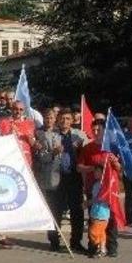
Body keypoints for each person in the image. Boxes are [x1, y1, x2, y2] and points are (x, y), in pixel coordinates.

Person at [77, 119, 120, 257]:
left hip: (109, 189)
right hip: (93, 188)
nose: (95, 132)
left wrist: (116, 163)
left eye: (98, 130)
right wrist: (92, 169)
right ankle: (94, 247)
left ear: (104, 131)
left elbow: (120, 169)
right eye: (93, 130)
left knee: (111, 219)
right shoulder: (88, 148)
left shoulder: (111, 147)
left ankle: (111, 247)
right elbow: (79, 167)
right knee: (94, 218)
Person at [33, 108, 64, 251]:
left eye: (51, 118)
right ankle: (54, 239)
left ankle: (62, 236)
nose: (49, 120)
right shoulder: (38, 133)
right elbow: (40, 156)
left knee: (60, 209)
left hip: (63, 174)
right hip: (48, 176)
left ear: (55, 118)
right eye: (47, 118)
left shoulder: (60, 132)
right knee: (53, 209)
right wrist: (53, 153)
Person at [57, 108, 88, 252]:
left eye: (68, 119)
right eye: (62, 118)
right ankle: (54, 241)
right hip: (57, 177)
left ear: (72, 121)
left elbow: (89, 152)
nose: (65, 121)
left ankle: (76, 242)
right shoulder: (52, 134)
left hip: (74, 177)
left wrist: (81, 147)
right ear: (58, 120)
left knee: (77, 211)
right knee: (56, 210)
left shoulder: (79, 135)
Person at [87, 163, 111, 258]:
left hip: (101, 213)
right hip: (95, 212)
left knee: (93, 232)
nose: (95, 173)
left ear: (103, 173)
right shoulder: (96, 184)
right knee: (101, 232)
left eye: (98, 171)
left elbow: (99, 198)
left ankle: (97, 246)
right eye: (95, 171)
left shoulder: (105, 185)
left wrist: (88, 202)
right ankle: (102, 248)